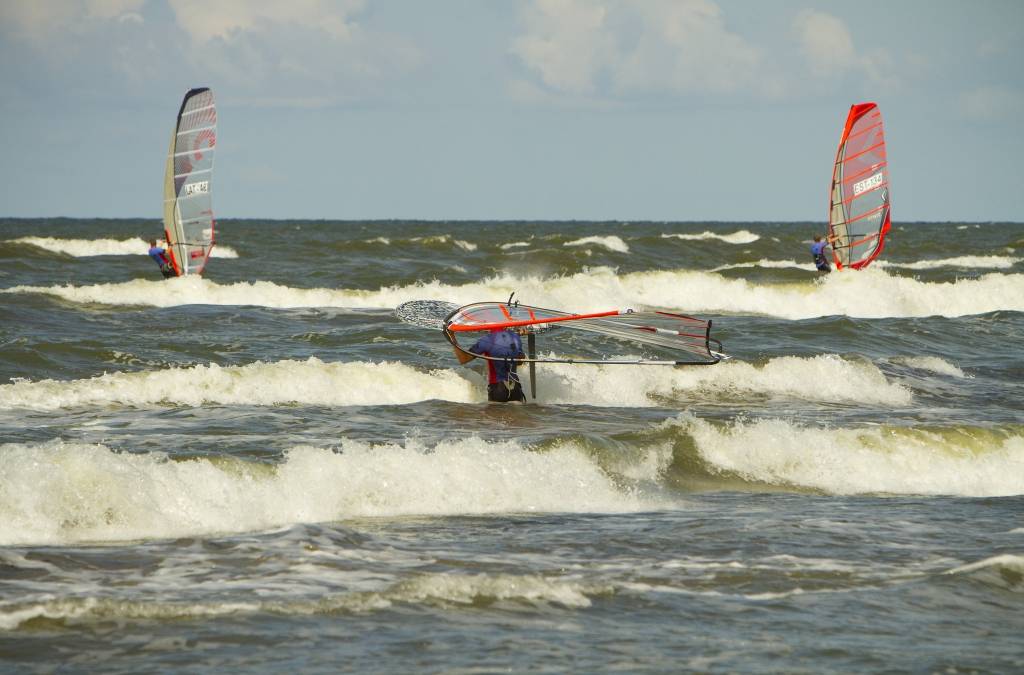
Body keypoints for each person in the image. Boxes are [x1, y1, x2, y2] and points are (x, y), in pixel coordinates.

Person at [454, 328, 527, 403]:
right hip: (516, 389)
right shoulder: (515, 336)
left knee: (494, 415)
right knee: (517, 414)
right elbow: (519, 362)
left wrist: (452, 337)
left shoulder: (487, 340)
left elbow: (463, 359)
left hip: (498, 388)